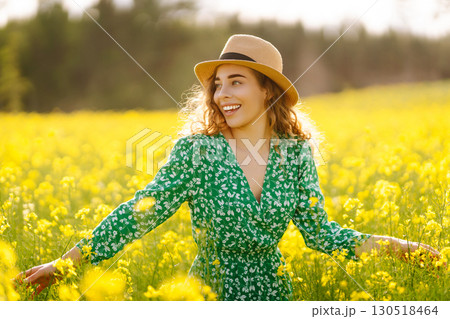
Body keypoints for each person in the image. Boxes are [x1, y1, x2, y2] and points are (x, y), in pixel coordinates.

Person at [19, 34, 442, 301]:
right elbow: (137, 214)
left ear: (267, 90)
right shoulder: (196, 152)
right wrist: (66, 263)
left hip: (276, 296)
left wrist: (399, 247)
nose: (222, 94)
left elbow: (323, 235)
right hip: (210, 296)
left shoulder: (295, 155)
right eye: (217, 85)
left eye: (236, 81)